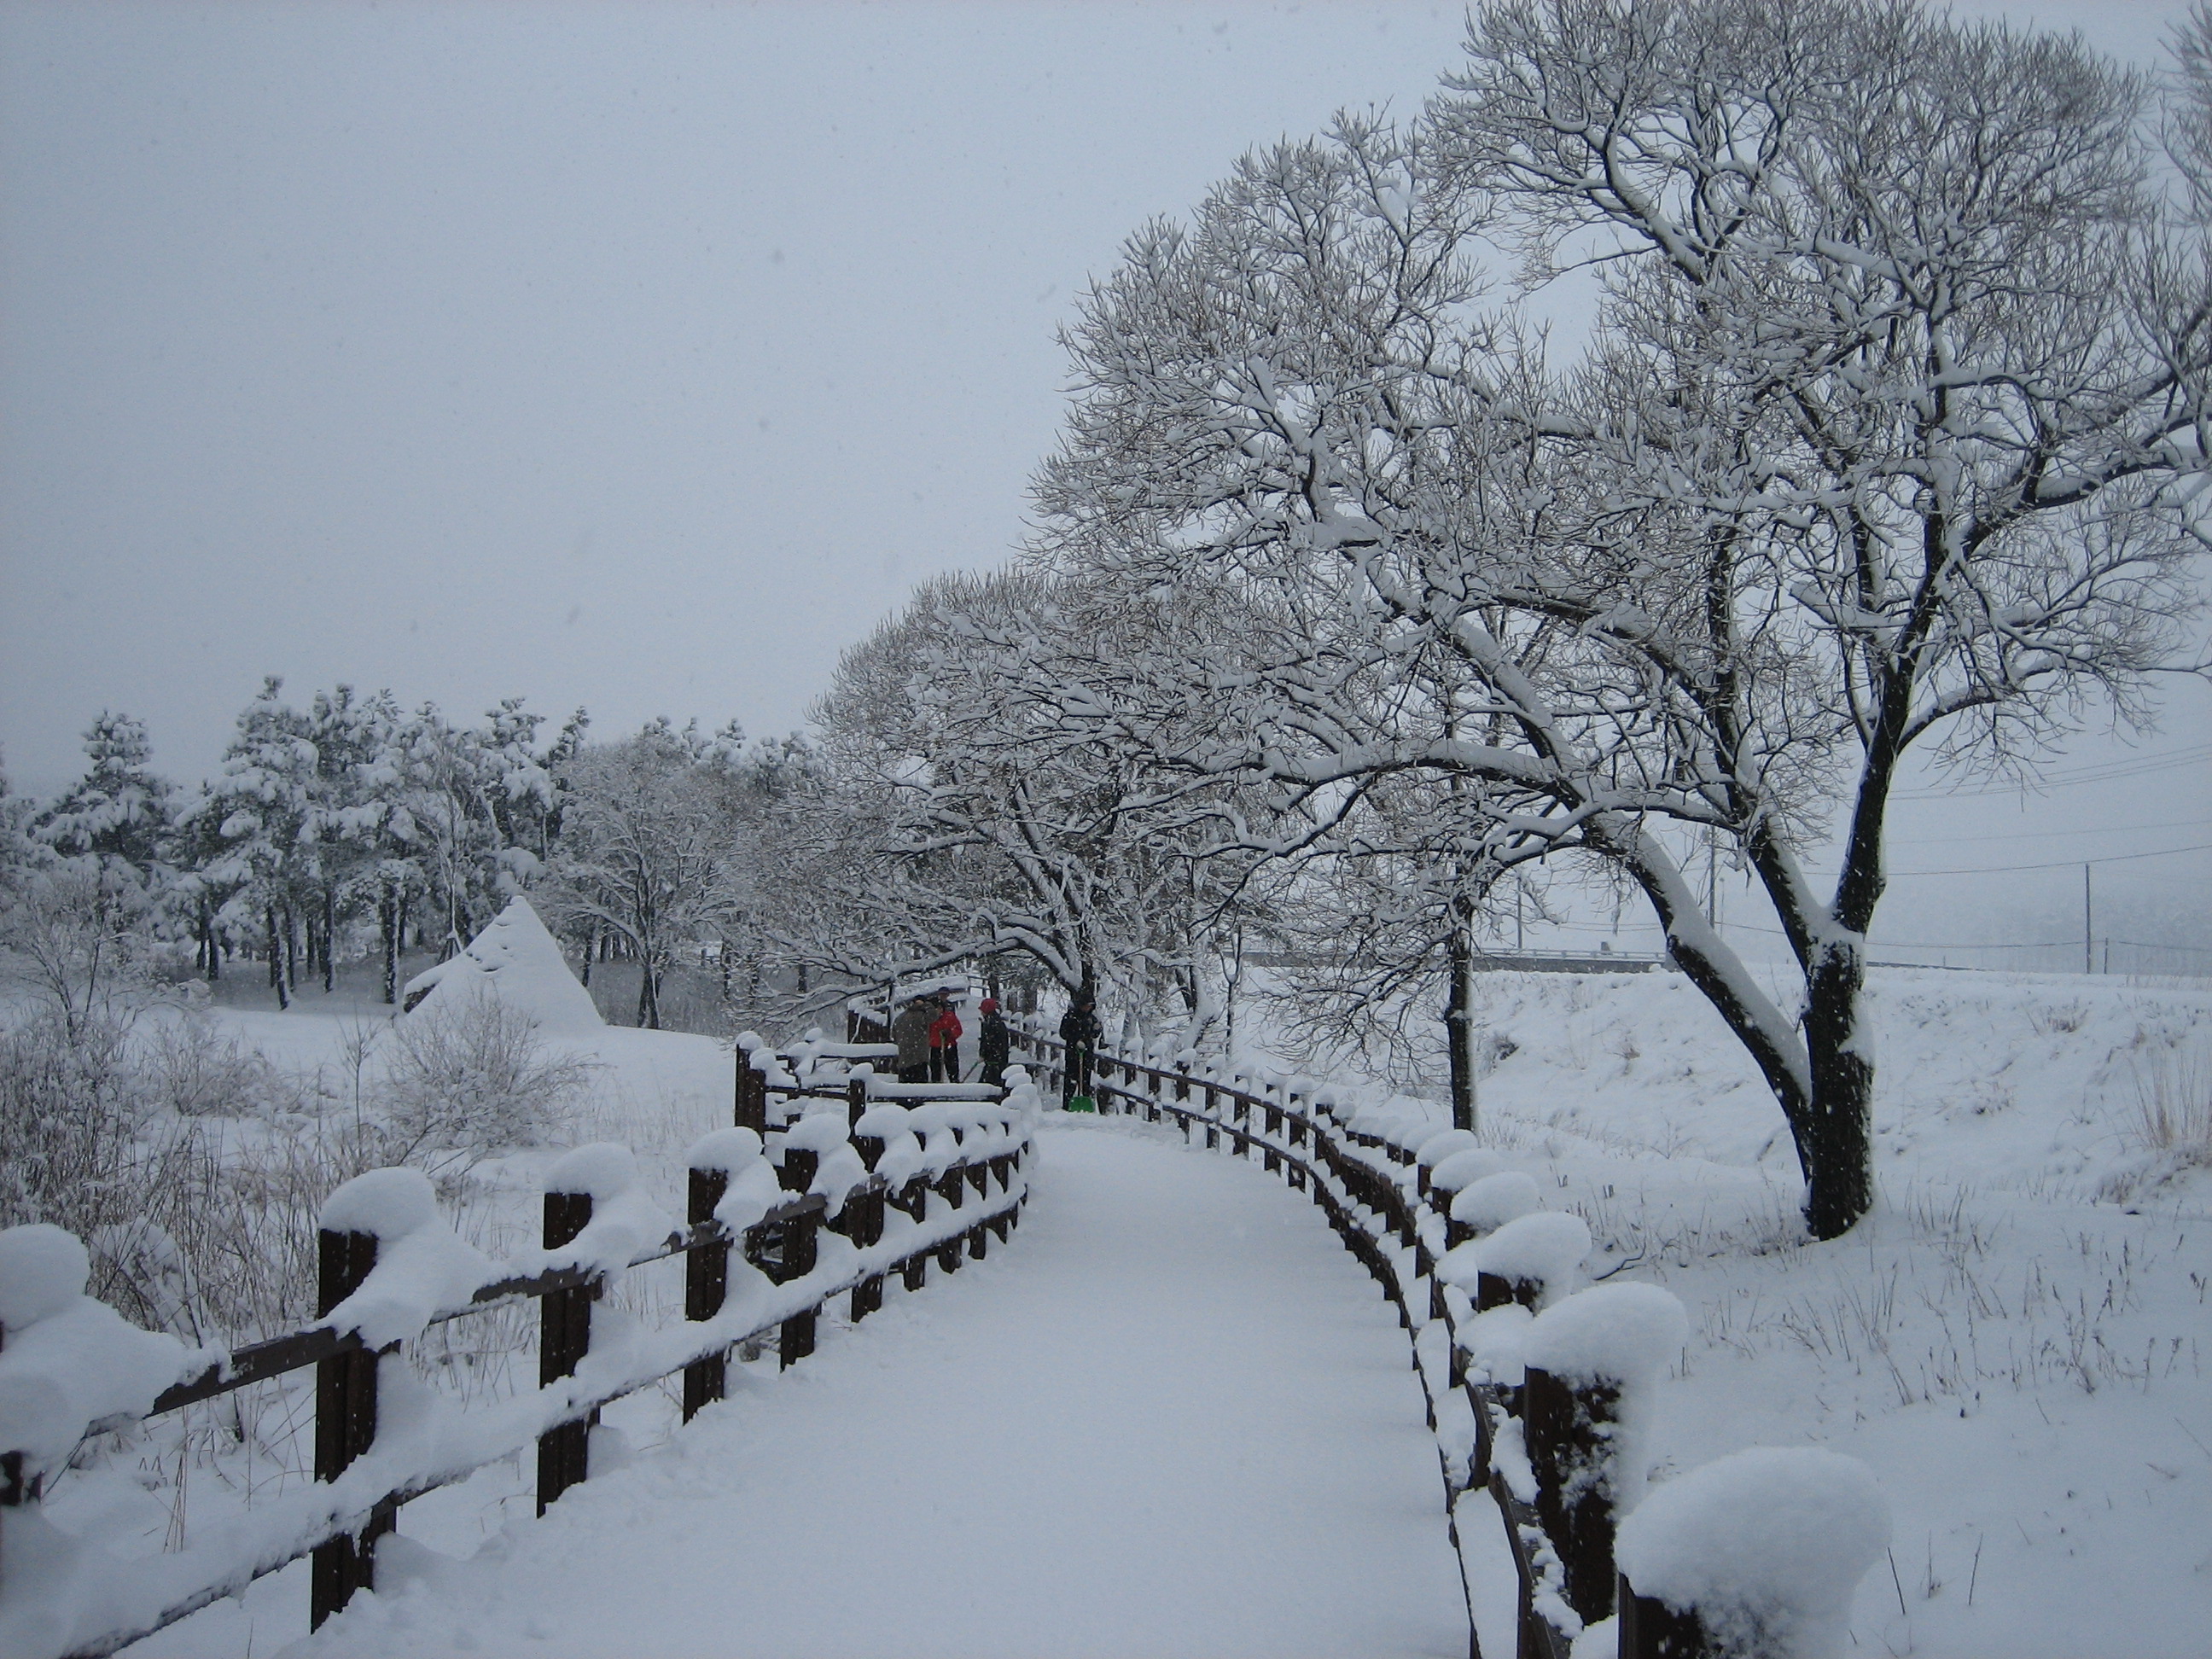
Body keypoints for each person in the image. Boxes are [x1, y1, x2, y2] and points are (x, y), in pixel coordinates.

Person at [1058, 987, 1102, 1109]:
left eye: (1090, 1006)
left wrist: (1096, 1030)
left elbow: (1093, 1034)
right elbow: (1063, 1033)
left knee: (1085, 1080)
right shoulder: (1071, 1017)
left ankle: (1085, 1102)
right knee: (1071, 1080)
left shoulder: (1091, 1018)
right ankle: (1068, 1104)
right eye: (1086, 1005)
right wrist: (1075, 1040)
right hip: (1073, 1053)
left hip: (1087, 1054)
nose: (1088, 1008)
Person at [891, 995, 932, 1084]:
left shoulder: (900, 1017)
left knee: (903, 1089)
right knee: (920, 1089)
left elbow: (893, 1036)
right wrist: (928, 1005)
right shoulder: (922, 1016)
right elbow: (933, 1016)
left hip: (903, 1059)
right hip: (918, 1058)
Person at [928, 994, 963, 1083]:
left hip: (949, 1046)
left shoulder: (950, 1016)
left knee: (953, 1071)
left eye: (940, 1008)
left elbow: (958, 1030)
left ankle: (954, 1085)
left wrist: (950, 1033)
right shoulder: (930, 1020)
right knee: (936, 1073)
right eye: (936, 1009)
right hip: (935, 1047)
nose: (938, 1011)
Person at [976, 998, 1010, 1088]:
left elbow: (988, 1041)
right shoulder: (992, 1021)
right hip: (996, 1059)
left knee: (989, 1085)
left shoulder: (992, 1023)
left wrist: (983, 1054)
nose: (981, 1012)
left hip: (995, 1060)